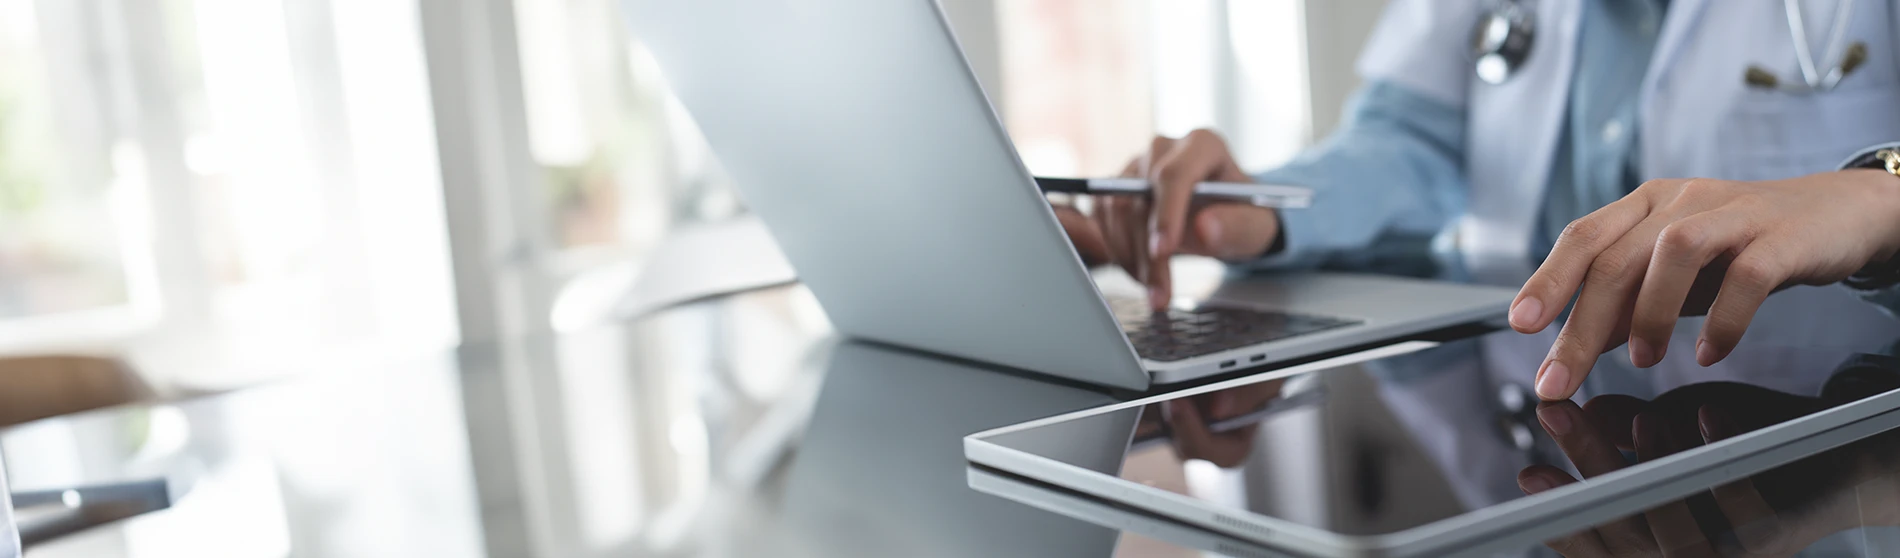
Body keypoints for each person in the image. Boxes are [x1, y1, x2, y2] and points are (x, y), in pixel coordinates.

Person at [1055, 0, 1900, 402]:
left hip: (1806, 418)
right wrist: (1263, 212)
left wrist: (1878, 195)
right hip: (1541, 404)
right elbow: (1411, 138)